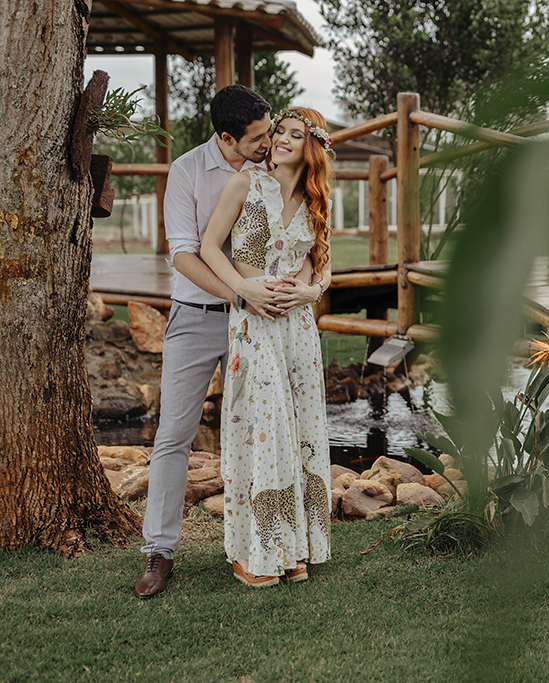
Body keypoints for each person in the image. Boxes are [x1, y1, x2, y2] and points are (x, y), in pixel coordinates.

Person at [133, 86, 319, 599]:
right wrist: (241, 293)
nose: (269, 143)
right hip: (198, 317)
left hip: (263, 326)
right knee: (174, 433)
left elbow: (302, 238)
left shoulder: (271, 172)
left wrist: (296, 288)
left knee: (269, 431)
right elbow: (186, 254)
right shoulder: (188, 172)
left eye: (273, 132)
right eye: (259, 137)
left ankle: (271, 544)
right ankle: (159, 551)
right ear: (227, 137)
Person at [200, 107, 334, 587]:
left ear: (311, 147)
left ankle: (295, 546)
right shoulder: (245, 185)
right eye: (281, 131)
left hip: (298, 330)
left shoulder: (319, 201)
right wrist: (244, 290)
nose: (281, 139)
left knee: (299, 431)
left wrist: (310, 293)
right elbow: (211, 248)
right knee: (264, 429)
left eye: (295, 135)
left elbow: (324, 269)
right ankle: (253, 550)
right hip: (254, 324)